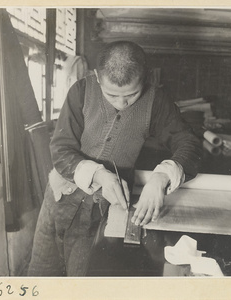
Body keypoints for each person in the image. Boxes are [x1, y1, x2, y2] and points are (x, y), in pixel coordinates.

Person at [28, 41, 201, 276]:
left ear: (146, 78)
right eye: (111, 94)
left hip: (104, 209)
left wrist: (162, 176)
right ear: (98, 77)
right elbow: (61, 149)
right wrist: (99, 174)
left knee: (83, 279)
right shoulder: (80, 91)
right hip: (59, 197)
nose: (121, 103)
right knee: (42, 273)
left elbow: (189, 143)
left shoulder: (156, 101)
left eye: (131, 94)